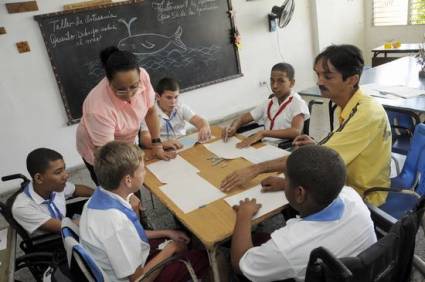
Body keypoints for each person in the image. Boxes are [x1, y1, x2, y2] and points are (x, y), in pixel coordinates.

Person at [220, 44, 391, 206]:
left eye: (328, 76)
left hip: (361, 195)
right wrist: (318, 147)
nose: (319, 82)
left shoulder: (365, 113)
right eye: (318, 75)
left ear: (352, 80)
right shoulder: (345, 106)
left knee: (294, 206)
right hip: (342, 179)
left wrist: (256, 169)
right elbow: (336, 151)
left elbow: (322, 161)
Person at [231, 145, 377, 281]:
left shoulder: (287, 247)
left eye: (286, 179)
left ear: (300, 193)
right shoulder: (351, 196)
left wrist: (244, 215)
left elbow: (239, 264)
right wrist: (287, 185)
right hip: (365, 274)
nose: (284, 181)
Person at [79, 141, 209, 282]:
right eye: (142, 169)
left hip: (130, 259)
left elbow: (133, 234)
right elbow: (139, 279)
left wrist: (166, 232)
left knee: (180, 235)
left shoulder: (99, 198)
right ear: (128, 180)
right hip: (137, 276)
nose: (145, 172)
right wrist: (171, 248)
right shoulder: (116, 223)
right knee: (206, 258)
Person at [76, 46, 176, 185]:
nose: (129, 94)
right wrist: (125, 193)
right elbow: (108, 156)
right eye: (121, 90)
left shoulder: (143, 76)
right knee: (119, 189)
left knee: (134, 182)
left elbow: (151, 111)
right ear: (109, 82)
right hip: (102, 151)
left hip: (126, 140)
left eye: (134, 86)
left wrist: (157, 145)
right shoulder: (97, 108)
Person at [222, 63, 309, 148]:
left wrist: (263, 133)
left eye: (281, 81)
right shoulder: (269, 103)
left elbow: (296, 131)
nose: (274, 86)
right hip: (264, 146)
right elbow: (242, 119)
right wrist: (233, 127)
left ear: (292, 83)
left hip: (285, 148)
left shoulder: (297, 103)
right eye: (272, 81)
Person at [12, 148, 93, 236]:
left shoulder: (53, 186)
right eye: (58, 172)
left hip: (67, 228)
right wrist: (98, 217)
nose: (66, 175)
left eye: (64, 169)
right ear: (39, 178)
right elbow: (63, 226)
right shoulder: (22, 207)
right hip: (54, 241)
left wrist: (99, 195)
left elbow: (76, 189)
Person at [140, 77, 211, 150]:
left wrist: (204, 126)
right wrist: (162, 144)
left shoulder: (180, 107)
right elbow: (144, 139)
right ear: (158, 97)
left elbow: (199, 120)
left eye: (176, 97)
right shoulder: (150, 112)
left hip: (181, 144)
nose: (173, 102)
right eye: (169, 98)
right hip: (161, 148)